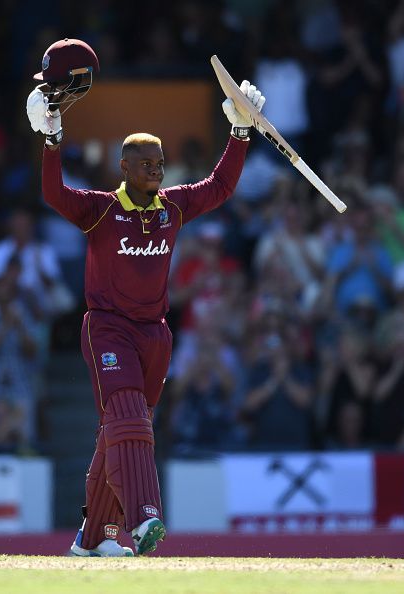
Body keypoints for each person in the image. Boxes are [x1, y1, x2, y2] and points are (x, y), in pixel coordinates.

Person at [26, 38, 265, 557]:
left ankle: (92, 540)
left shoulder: (172, 209)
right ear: (126, 168)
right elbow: (53, 195)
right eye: (148, 164)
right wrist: (50, 143)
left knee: (118, 432)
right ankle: (143, 520)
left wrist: (241, 131)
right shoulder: (99, 210)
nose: (159, 170)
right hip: (108, 327)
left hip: (155, 333)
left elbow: (220, 186)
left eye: (160, 162)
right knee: (130, 418)